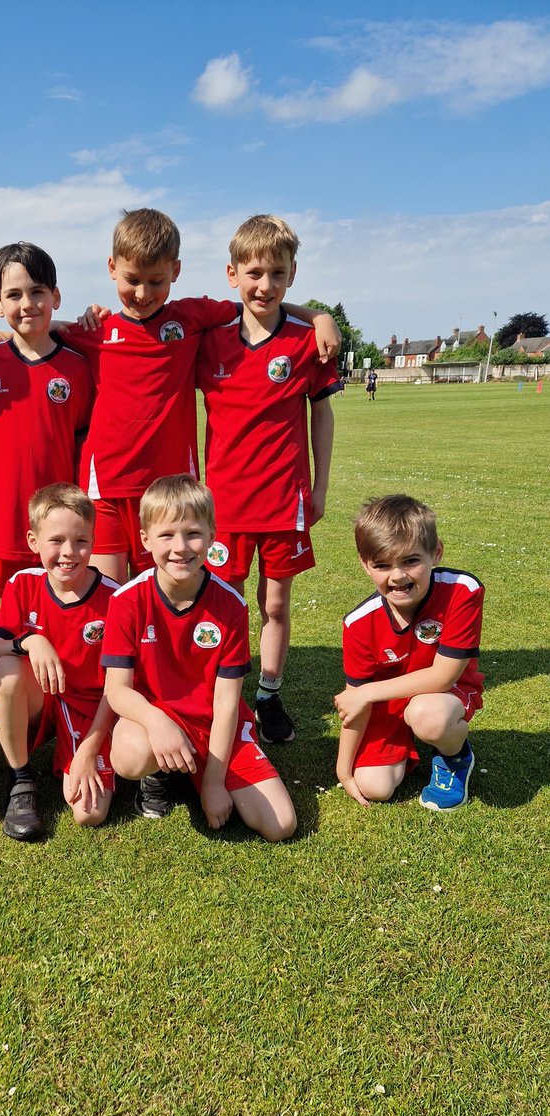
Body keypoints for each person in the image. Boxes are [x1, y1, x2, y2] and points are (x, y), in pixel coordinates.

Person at [61, 208, 342, 583]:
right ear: (112, 267)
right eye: (132, 280)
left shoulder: (192, 317)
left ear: (175, 272)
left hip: (169, 490)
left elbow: (256, 303)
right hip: (106, 486)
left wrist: (319, 317)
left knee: (163, 593)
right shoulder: (96, 331)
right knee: (106, 592)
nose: (143, 293)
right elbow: (29, 337)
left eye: (156, 281)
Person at [196, 214, 341, 745]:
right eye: (254, 272)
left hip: (285, 502)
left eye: (277, 273)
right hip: (223, 507)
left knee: (275, 605)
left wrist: (320, 488)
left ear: (292, 275)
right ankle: (221, 690)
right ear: (232, 274)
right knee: (224, 602)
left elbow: (322, 415)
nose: (265, 284)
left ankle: (269, 695)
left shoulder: (306, 342)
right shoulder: (209, 339)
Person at [102, 475, 296, 841]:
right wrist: (158, 722)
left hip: (215, 726)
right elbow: (118, 691)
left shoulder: (231, 606)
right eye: (166, 535)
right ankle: (157, 772)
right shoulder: (127, 600)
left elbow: (225, 703)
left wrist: (213, 784)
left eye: (193, 533)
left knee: (280, 825)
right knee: (129, 754)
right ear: (145, 539)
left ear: (211, 535)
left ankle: (194, 772)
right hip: (156, 720)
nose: (180, 547)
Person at [0, 242, 94, 598]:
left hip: (62, 519)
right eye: (14, 295)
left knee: (67, 603)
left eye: (37, 292)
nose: (27, 303)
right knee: (14, 614)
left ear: (56, 297)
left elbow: (82, 443)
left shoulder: (78, 367)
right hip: (6, 517)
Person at [334, 494, 484, 812]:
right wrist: (343, 769)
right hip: (390, 702)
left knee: (427, 716)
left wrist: (369, 692)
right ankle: (403, 743)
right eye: (382, 565)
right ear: (365, 564)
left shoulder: (462, 590)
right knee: (375, 787)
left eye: (411, 561)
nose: (398, 576)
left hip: (444, 694)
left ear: (436, 552)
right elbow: (354, 702)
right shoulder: (358, 624)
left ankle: (454, 756)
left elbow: (443, 676)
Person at [0, 484, 118, 840]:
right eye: (56, 540)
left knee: (89, 813)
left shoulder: (116, 599)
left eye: (81, 541)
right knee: (7, 668)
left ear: (93, 540)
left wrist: (91, 749)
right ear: (33, 541)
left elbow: (119, 686)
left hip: (90, 709)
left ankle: (85, 755)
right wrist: (30, 640)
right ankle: (21, 779)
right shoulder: (23, 584)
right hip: (42, 701)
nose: (68, 553)